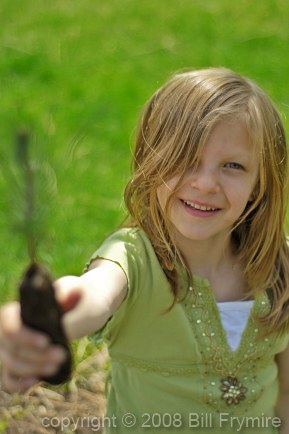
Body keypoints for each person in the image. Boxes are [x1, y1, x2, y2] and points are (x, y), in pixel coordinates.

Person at [0, 67, 289, 433]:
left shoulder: (279, 266)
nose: (205, 183)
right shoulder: (133, 260)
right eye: (185, 158)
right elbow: (93, 294)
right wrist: (45, 317)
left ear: (259, 183)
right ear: (151, 162)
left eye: (233, 165)